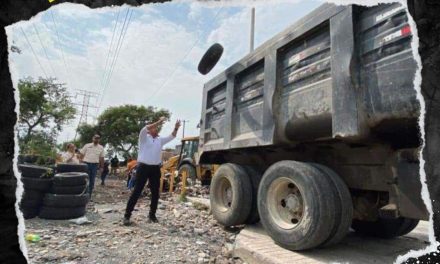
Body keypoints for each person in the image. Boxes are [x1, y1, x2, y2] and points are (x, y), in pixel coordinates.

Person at [123, 117, 181, 225]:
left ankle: (152, 215)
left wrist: (176, 128)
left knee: (155, 193)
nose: (156, 128)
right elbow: (146, 128)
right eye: (153, 127)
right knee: (137, 191)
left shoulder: (160, 140)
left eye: (156, 127)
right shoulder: (144, 137)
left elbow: (172, 136)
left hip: (155, 169)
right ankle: (127, 216)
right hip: (143, 167)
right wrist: (159, 121)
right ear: (149, 130)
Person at [80, 134, 105, 199]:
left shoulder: (101, 147)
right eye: (95, 138)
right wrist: (80, 163)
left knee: (92, 181)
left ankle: (89, 196)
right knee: (84, 179)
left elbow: (102, 158)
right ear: (92, 138)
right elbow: (81, 154)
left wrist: (102, 167)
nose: (96, 139)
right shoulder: (87, 145)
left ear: (99, 139)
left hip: (94, 165)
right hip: (86, 164)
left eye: (98, 138)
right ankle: (83, 194)